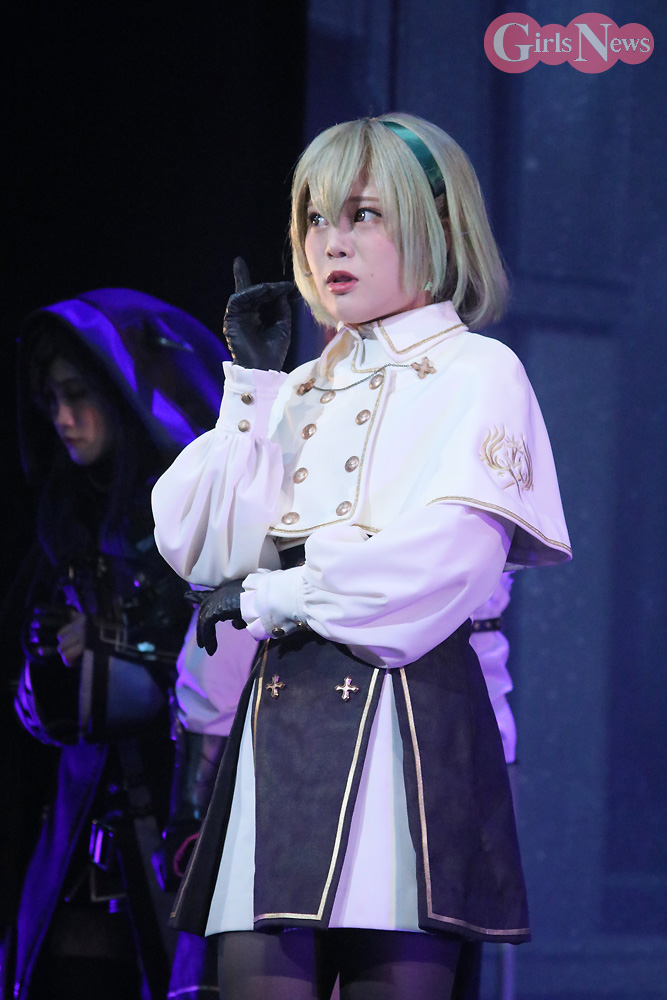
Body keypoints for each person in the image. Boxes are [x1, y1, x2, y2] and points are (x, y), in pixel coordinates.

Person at [152, 113, 572, 1000]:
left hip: (407, 725)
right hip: (280, 727)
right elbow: (202, 547)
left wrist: (277, 595)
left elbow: (443, 565)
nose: (330, 242)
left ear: (436, 226)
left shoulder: (478, 371)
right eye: (314, 218)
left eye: (363, 215)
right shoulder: (295, 389)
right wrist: (251, 391)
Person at [3, 288, 232, 1000]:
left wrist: (116, 646)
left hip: (178, 814)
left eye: (78, 394)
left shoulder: (195, 516)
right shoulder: (65, 515)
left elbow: (222, 659)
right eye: (50, 399)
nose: (62, 418)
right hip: (79, 825)